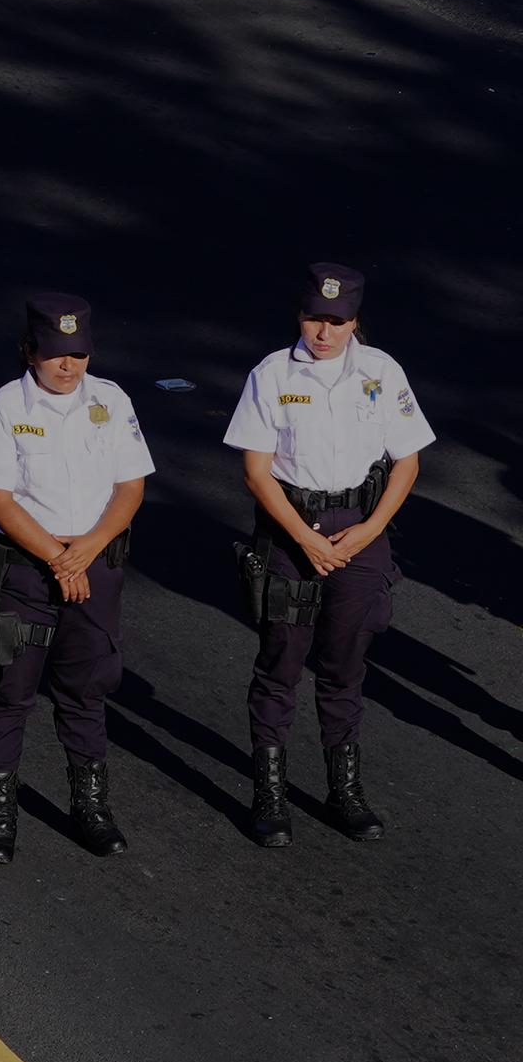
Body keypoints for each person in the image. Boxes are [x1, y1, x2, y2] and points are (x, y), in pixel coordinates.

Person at [221, 264, 433, 845]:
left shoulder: (381, 371)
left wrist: (369, 531)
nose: (324, 332)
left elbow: (407, 461)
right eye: (316, 318)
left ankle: (344, 791)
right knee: (281, 663)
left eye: (337, 321)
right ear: (300, 315)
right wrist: (304, 537)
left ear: (355, 322)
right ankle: (269, 794)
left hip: (362, 529)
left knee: (345, 666)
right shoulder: (271, 374)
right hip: (292, 529)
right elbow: (256, 472)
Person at [0, 294, 153, 863]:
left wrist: (85, 552)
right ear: (29, 352)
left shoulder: (112, 401)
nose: (67, 366)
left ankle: (89, 805)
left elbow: (130, 487)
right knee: (11, 690)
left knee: (87, 688)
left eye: (78, 354)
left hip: (95, 565)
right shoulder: (3, 408)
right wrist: (56, 557)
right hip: (25, 570)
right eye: (53, 354)